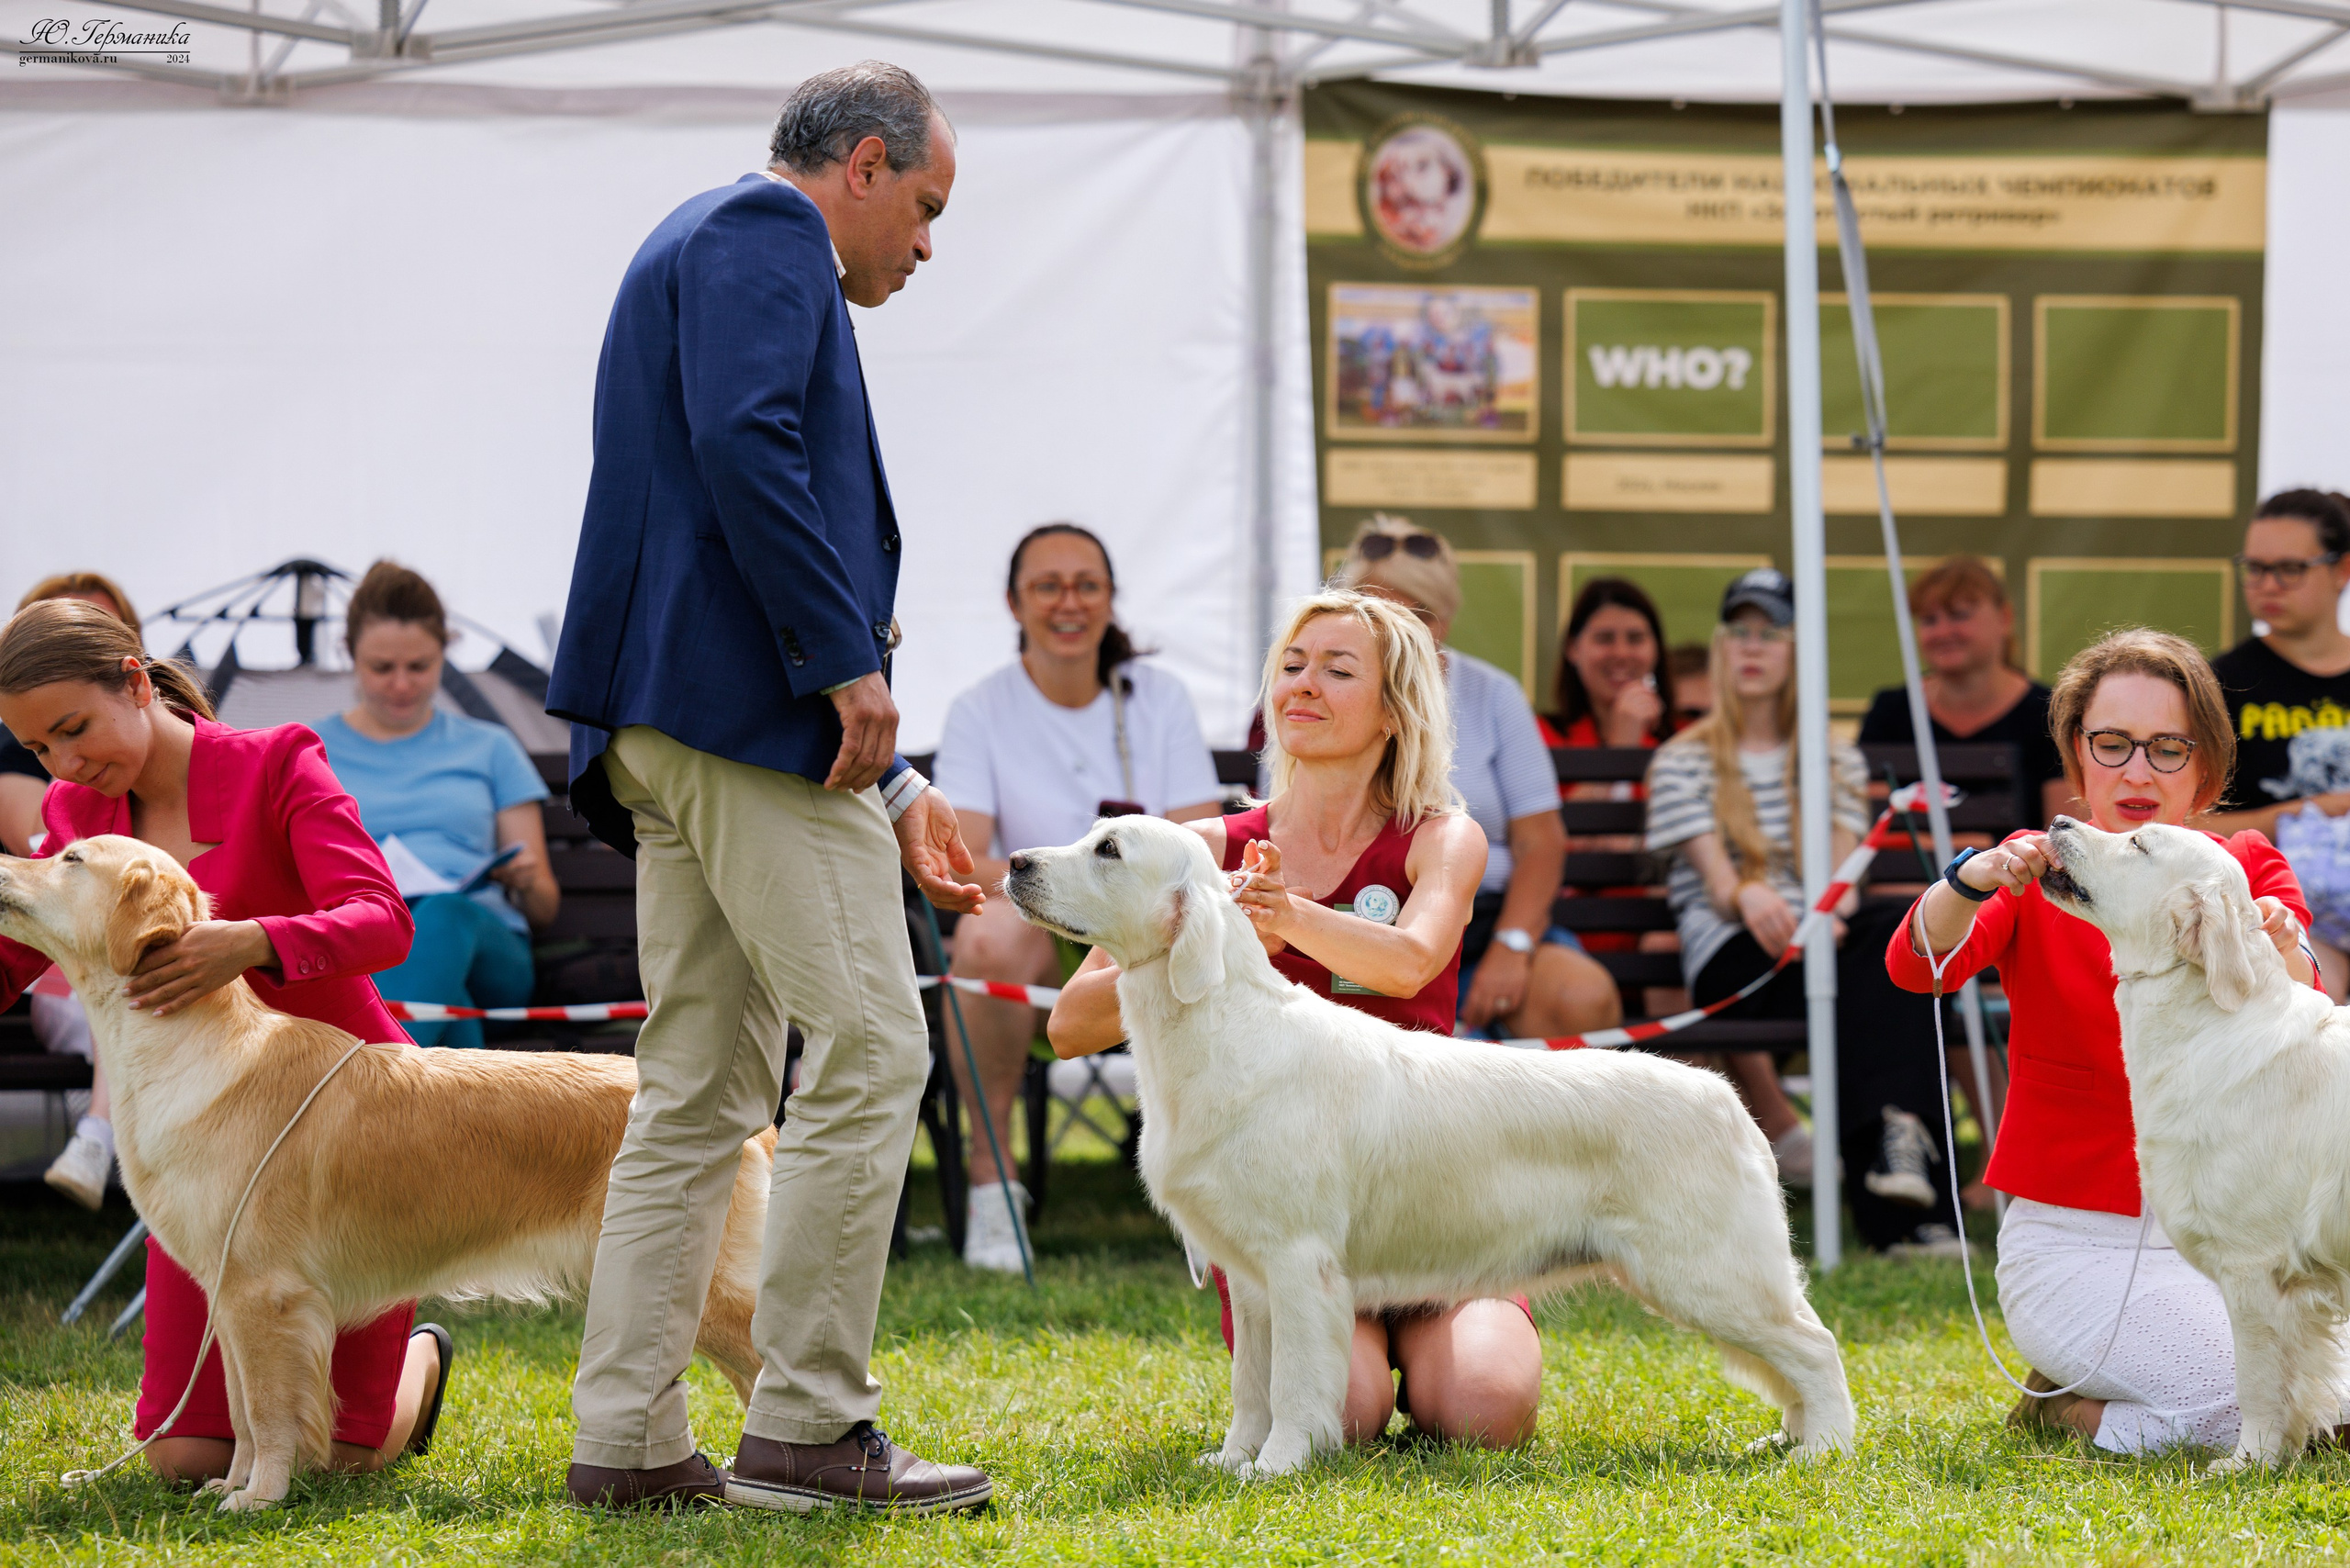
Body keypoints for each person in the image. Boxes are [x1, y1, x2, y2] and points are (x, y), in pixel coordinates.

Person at [544, 62, 991, 1514]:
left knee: (694, 1095)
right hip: (744, 718)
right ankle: (804, 1422)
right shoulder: (765, 232)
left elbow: (712, 471)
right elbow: (750, 442)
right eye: (926, 206)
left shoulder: (695, 237)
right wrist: (846, 660)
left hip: (670, 724)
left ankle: (627, 1439)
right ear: (863, 165)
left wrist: (895, 775)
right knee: (872, 1048)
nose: (927, 244)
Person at [1050, 589, 1543, 1448]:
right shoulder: (1203, 850)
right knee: (1339, 1419)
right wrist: (1180, 938)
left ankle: (1431, 1349)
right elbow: (1070, 1027)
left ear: (1394, 710)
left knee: (1484, 1410)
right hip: (1289, 1210)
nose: (1303, 685)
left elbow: (1411, 960)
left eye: (1337, 670)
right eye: (1291, 666)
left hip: (1429, 1190)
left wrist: (1285, 918)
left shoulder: (1443, 837)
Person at [0, 599, 452, 1482]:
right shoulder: (74, 809)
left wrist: (252, 941)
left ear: (136, 682)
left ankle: (421, 1362)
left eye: (74, 729)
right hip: (205, 1145)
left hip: (342, 1125)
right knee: (184, 1459)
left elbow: (384, 921)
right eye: (39, 749)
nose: (65, 763)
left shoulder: (278, 760)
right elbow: (17, 954)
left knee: (331, 1464)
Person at [1886, 627, 2348, 1452]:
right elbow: (1916, 968)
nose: (2138, 771)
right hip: (2075, 1245)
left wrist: (2276, 939)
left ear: (2206, 765)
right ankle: (2063, 1406)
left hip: (2241, 1241)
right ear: (2078, 753)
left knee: (2324, 1409)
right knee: (2240, 1411)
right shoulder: (2037, 872)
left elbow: (2308, 1004)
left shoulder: (2242, 864)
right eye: (2113, 743)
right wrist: (1966, 880)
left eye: (2168, 748)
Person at [1643, 569, 1957, 1258]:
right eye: (1740, 632)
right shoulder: (1680, 761)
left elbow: (1845, 878)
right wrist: (1748, 893)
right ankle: (1903, 1195)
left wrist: (1829, 913)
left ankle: (1896, 1172)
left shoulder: (1834, 758)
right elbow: (1720, 885)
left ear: (1797, 653)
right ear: (1722, 648)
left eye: (1771, 634)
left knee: (1899, 940)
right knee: (1877, 975)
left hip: (1822, 940)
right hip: (1735, 955)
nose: (1753, 647)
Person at [933, 523, 1222, 1271]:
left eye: (1087, 585)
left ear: (1110, 599)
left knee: (1198, 926)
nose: (1070, 602)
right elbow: (964, 859)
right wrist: (1069, 886)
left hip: (1149, 940)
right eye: (1048, 586)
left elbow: (1201, 847)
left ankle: (1217, 1194)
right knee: (987, 934)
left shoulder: (1159, 701)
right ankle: (992, 1182)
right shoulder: (980, 709)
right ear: (1014, 603)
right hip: (1037, 939)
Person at [1336, 516, 1620, 1041]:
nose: (1394, 628)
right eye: (1373, 611)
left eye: (1416, 612)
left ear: (1444, 618)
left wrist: (1513, 946)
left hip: (1482, 921)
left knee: (1580, 996)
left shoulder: (1492, 694)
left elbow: (1540, 841)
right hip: (1361, 916)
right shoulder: (1321, 693)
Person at [313, 562, 557, 1050]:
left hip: (487, 948)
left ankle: (374, 1078)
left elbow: (545, 908)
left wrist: (527, 880)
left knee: (443, 916)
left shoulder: (490, 747)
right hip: (366, 943)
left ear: (445, 655)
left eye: (419, 666)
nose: (402, 684)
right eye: (382, 668)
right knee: (449, 1000)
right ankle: (422, 1082)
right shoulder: (312, 751)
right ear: (350, 656)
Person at [3, 573, 144, 1209]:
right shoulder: (67, 797)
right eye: (40, 746)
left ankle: (98, 1136)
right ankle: (98, 1133)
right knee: (119, 978)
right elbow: (46, 849)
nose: (63, 765)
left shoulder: (256, 756)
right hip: (74, 973)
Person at [2203, 490, 2350, 1000]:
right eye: (2256, 568)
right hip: (2274, 911)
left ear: (2342, 569)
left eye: (2289, 569)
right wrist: (2310, 811)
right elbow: (2186, 826)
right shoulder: (2219, 685)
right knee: (2309, 996)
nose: (2267, 585)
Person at [1857, 557, 2068, 830]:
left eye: (1959, 615)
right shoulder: (1889, 712)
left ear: (2004, 618)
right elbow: (1867, 824)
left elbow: (2064, 834)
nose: (1943, 631)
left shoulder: (2050, 712)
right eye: (1929, 620)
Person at [1539, 577, 1674, 750]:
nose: (1621, 653)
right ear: (1572, 648)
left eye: (1635, 638)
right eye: (1605, 638)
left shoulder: (1688, 736)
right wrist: (1622, 745)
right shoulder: (1538, 736)